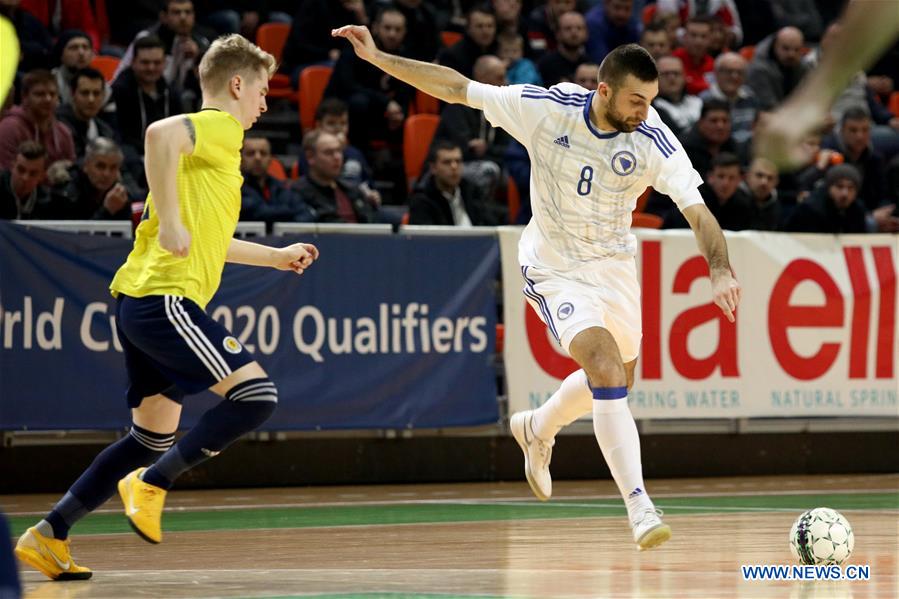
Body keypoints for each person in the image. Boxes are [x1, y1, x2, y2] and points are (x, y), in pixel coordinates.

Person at [332, 26, 740, 550]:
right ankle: (639, 506)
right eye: (637, 100)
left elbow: (698, 212)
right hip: (553, 265)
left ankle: (537, 427)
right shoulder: (546, 109)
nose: (646, 110)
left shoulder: (652, 139)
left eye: (652, 100)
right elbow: (456, 88)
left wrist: (720, 268)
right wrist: (378, 56)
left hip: (612, 266)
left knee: (617, 383)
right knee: (606, 369)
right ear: (605, 90)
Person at [14, 34, 319, 581]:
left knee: (148, 437)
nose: (266, 104)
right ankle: (153, 482)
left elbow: (209, 238)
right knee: (256, 397)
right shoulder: (220, 129)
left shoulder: (201, 160)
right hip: (165, 300)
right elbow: (157, 133)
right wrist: (174, 222)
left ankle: (48, 535)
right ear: (235, 85)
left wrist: (275, 257)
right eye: (263, 91)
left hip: (140, 303)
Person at [755, 0, 899, 169]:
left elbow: (870, 102)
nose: (841, 45)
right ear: (823, 40)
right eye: (835, 39)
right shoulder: (807, 67)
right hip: (834, 130)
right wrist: (808, 108)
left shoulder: (855, 71)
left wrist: (888, 119)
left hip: (865, 126)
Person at [409, 139, 500, 226]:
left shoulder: (472, 191)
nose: (454, 167)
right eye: (447, 162)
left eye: (458, 161)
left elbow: (490, 225)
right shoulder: (422, 200)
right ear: (433, 168)